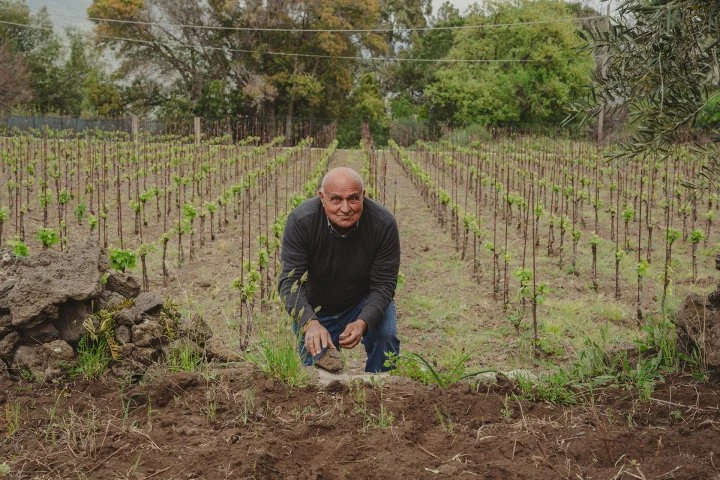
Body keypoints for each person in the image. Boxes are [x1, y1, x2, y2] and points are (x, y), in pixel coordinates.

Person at [278, 167, 400, 372]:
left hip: (363, 301)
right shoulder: (302, 221)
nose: (345, 208)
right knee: (315, 374)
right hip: (317, 307)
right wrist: (310, 323)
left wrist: (363, 322)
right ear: (322, 198)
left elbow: (384, 285)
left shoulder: (383, 224)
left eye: (353, 199)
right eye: (336, 200)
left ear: (364, 195)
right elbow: (289, 283)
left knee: (385, 337)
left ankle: (380, 391)